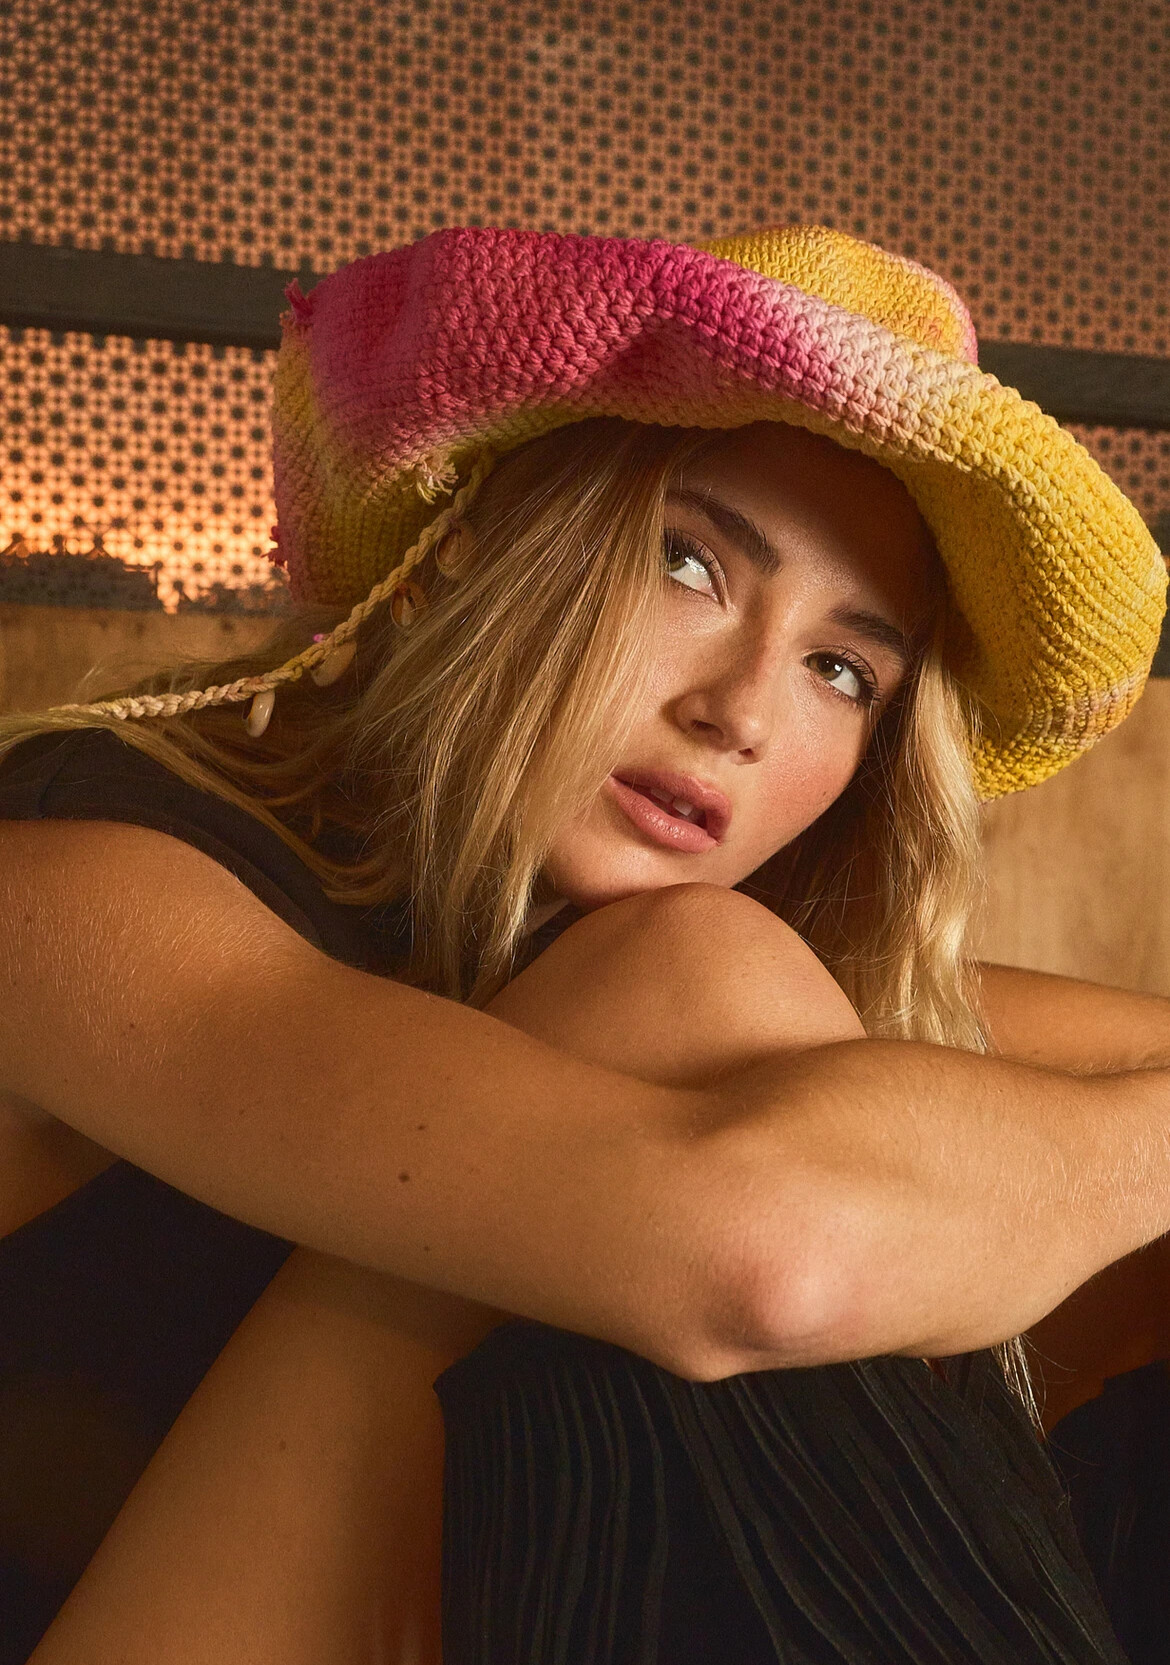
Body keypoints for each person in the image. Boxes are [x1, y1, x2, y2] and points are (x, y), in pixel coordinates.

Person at [1, 223, 1168, 1662]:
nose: (742, 711)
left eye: (839, 667)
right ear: (473, 544)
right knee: (710, 1013)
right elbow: (761, 1258)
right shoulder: (70, 885)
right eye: (689, 562)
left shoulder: (575, 949)